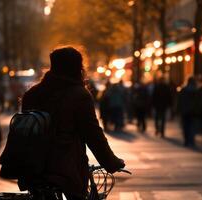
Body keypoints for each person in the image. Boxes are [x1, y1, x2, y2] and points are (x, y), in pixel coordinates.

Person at [19, 46, 125, 199]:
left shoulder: (32, 94)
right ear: (77, 68)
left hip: (33, 167)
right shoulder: (79, 95)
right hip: (66, 170)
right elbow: (93, 134)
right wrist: (111, 162)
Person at [178, 77, 201, 147]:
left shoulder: (184, 90)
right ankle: (191, 140)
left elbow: (180, 101)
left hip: (185, 110)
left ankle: (187, 140)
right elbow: (198, 102)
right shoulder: (196, 90)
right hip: (192, 111)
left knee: (186, 126)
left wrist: (179, 109)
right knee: (192, 126)